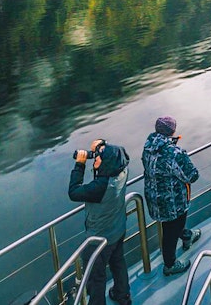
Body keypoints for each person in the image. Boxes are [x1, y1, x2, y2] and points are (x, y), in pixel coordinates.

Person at [68, 139, 132, 305]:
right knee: (118, 262)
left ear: (107, 163)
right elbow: (120, 152)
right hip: (118, 229)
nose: (95, 159)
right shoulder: (122, 171)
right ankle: (122, 295)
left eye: (99, 157)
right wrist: (101, 145)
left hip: (99, 239)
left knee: (97, 277)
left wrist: (80, 165)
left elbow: (73, 192)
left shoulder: (100, 187)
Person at [142, 116, 201, 277]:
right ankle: (170, 264)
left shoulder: (147, 147)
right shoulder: (174, 152)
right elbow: (192, 175)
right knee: (170, 231)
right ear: (172, 131)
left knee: (172, 226)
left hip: (154, 198)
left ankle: (187, 236)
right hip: (173, 201)